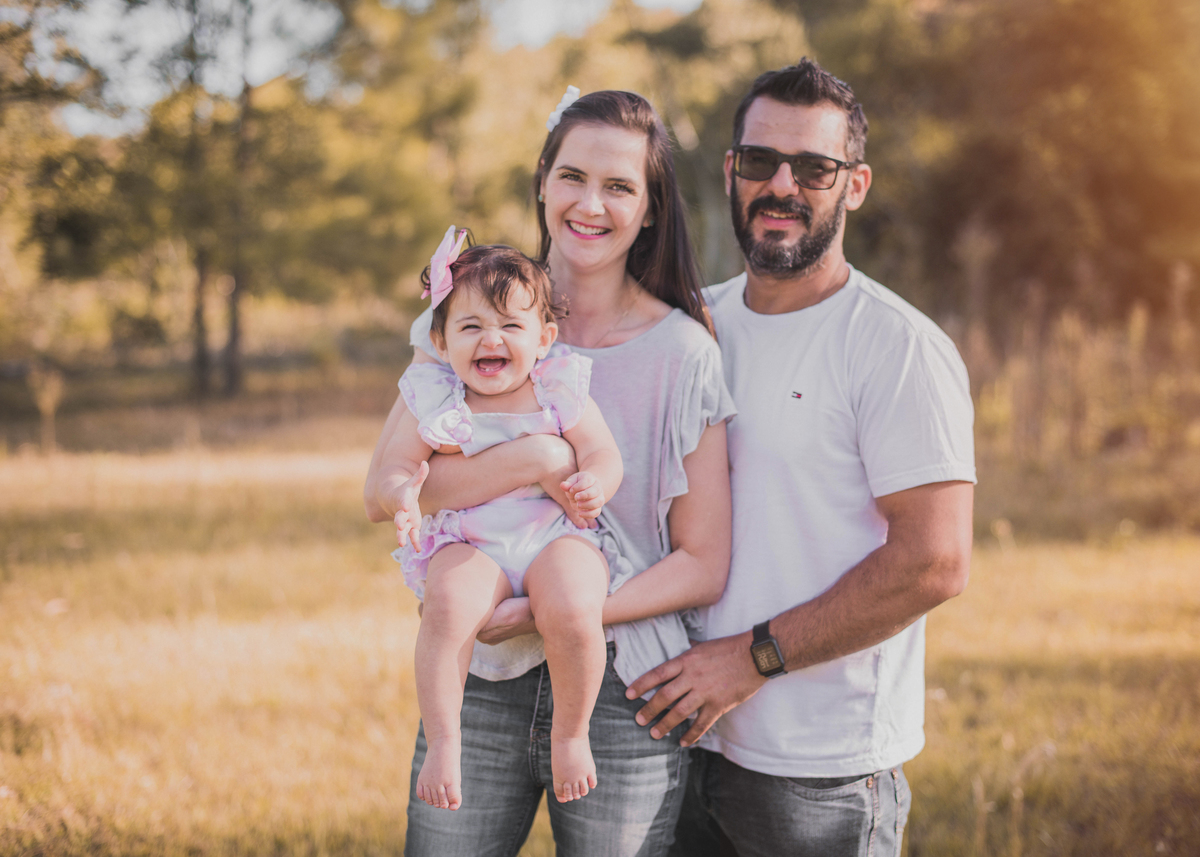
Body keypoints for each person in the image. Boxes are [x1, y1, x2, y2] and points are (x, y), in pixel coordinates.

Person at [364, 88, 735, 857]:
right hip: (481, 672)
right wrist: (539, 459)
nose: (590, 203)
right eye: (572, 176)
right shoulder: (463, 322)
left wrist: (550, 610)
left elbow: (703, 563)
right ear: (542, 180)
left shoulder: (684, 352)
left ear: (650, 209)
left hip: (621, 685)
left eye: (620, 186)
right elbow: (396, 485)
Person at [625, 58, 977, 856]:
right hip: (671, 741)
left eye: (814, 168)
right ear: (731, 170)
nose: (781, 185)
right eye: (761, 160)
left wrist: (752, 660)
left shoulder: (896, 346)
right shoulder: (690, 327)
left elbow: (935, 561)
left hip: (817, 773)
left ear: (854, 185)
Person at [389, 235, 624, 810]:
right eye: (470, 326)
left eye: (510, 326)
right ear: (441, 342)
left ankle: (571, 735)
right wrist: (403, 497)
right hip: (473, 539)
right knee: (447, 606)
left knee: (574, 603)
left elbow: (602, 451)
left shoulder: (558, 388)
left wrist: (596, 479)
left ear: (543, 338)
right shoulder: (438, 398)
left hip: (554, 535)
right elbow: (397, 467)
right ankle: (446, 742)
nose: (491, 339)